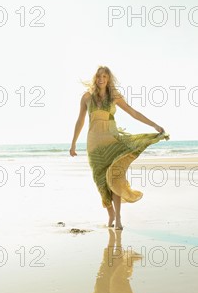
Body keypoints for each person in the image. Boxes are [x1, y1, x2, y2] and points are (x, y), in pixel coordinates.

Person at [70, 66, 170, 230]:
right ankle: (110, 213)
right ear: (95, 78)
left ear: (108, 79)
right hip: (94, 143)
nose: (101, 79)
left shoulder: (114, 96)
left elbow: (134, 113)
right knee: (100, 180)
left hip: (112, 140)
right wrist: (73, 143)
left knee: (115, 176)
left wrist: (154, 125)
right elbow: (80, 121)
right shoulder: (87, 97)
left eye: (104, 76)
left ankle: (118, 218)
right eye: (99, 76)